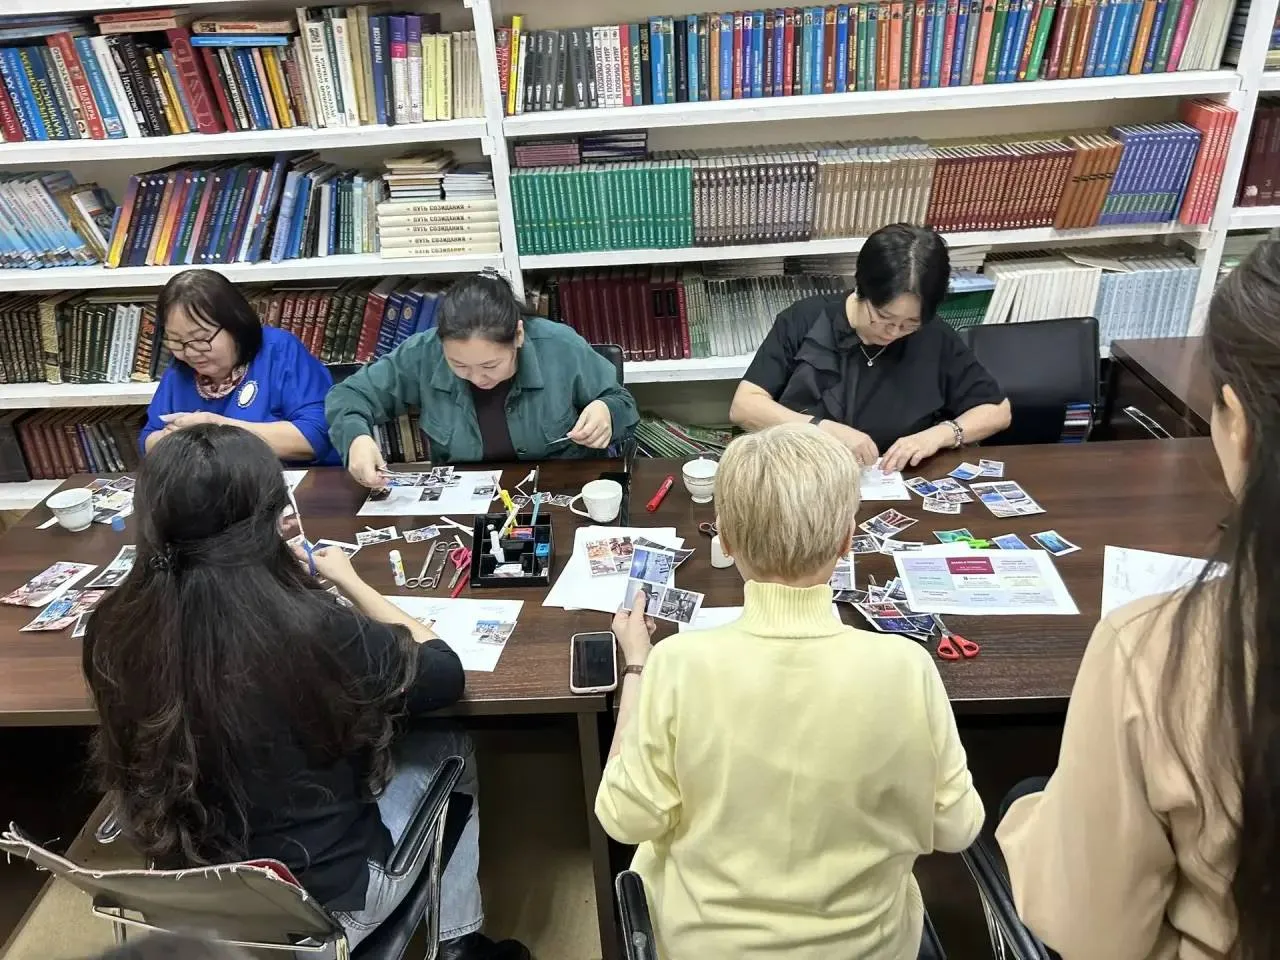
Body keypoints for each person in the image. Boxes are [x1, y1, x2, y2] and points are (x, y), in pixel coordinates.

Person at [83, 424, 528, 960]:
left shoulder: (112, 623)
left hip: (193, 899)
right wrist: (351, 582)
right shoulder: (310, 628)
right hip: (320, 910)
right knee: (448, 742)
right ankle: (460, 944)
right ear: (270, 520)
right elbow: (444, 671)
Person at [595, 422, 984, 959]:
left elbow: (624, 818)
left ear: (724, 540)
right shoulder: (907, 667)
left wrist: (637, 668)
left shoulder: (678, 664)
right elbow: (958, 828)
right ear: (847, 541)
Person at [994, 240, 1280, 960]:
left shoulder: (1156, 652)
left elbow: (1092, 931)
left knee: (1022, 798)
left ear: (1237, 421)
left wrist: (1027, 822)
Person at [729, 223, 1011, 471]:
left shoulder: (934, 335)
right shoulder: (804, 319)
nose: (894, 332)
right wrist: (822, 430)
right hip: (805, 477)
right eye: (884, 317)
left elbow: (998, 410)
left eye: (910, 323)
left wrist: (937, 436)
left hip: (893, 481)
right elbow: (744, 406)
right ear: (861, 289)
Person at [325, 272, 639, 485]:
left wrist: (606, 412)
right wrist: (356, 439)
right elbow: (348, 396)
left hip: (562, 492)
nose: (477, 378)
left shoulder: (560, 346)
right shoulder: (423, 353)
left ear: (518, 335)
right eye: (459, 365)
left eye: (490, 365)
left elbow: (622, 402)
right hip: (464, 502)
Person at [139, 269, 339, 465]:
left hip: (290, 480)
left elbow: (314, 436)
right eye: (176, 340)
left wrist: (217, 430)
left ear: (235, 325)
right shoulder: (180, 369)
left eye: (200, 339)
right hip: (213, 484)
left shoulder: (278, 350)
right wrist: (173, 440)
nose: (189, 352)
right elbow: (148, 439)